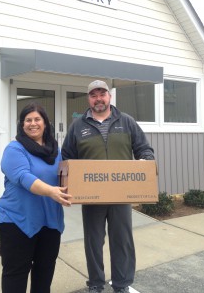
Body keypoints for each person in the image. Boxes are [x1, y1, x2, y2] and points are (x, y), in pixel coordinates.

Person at [62, 80, 155, 293]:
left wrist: (144, 162)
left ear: (109, 96)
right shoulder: (78, 126)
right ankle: (95, 283)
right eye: (93, 95)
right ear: (88, 99)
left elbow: (144, 149)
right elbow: (67, 157)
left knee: (122, 241)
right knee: (93, 243)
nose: (98, 99)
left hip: (121, 195)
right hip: (92, 197)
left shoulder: (127, 121)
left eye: (102, 94)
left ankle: (121, 284)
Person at [0, 102, 72, 293]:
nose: (33, 123)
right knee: (16, 274)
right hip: (18, 221)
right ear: (22, 125)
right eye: (27, 120)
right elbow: (23, 177)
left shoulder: (55, 151)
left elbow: (68, 176)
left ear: (45, 123)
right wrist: (51, 191)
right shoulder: (14, 149)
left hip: (50, 221)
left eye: (37, 119)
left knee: (44, 273)